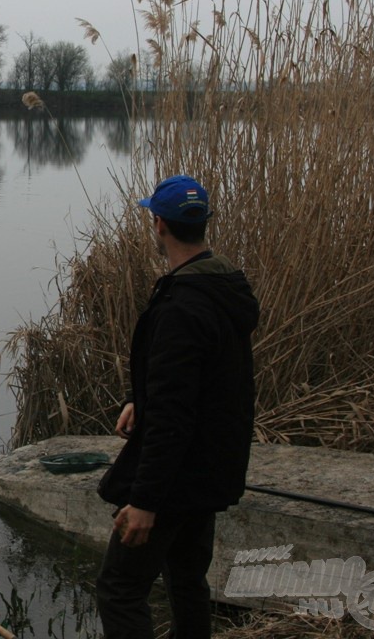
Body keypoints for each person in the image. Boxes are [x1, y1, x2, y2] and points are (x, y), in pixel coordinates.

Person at [94, 174, 260, 639]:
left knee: (120, 589)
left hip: (174, 478)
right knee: (187, 580)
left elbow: (174, 417)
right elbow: (203, 384)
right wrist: (140, 400)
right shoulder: (222, 287)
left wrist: (145, 501)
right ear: (205, 223)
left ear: (159, 225)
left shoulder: (182, 305)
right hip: (208, 468)